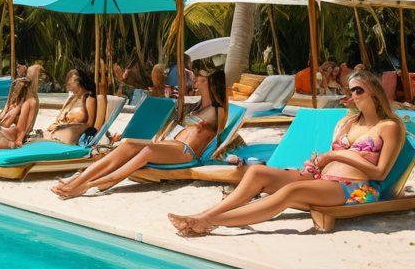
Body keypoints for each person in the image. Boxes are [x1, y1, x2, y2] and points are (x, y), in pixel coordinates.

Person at [169, 70, 405, 237]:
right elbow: (329, 156)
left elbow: (380, 172)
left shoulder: (389, 127)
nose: (352, 95)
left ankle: (209, 222)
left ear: (374, 92)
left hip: (354, 189)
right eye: (350, 91)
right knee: (256, 173)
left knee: (290, 191)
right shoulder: (346, 122)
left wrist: (333, 156)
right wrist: (317, 162)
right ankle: (205, 214)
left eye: (358, 90)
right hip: (322, 179)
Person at [52, 69, 227, 199]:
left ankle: (88, 185)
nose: (195, 79)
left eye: (201, 78)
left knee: (147, 151)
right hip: (172, 144)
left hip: (187, 152)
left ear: (210, 83)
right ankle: (78, 180)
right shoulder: (195, 105)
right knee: (128, 145)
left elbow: (221, 138)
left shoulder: (218, 111)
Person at [42, 67, 97, 144]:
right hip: (60, 131)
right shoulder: (71, 98)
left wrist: (65, 127)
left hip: (72, 134)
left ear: (78, 82)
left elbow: (90, 124)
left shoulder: (89, 99)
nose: (68, 88)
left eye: (70, 84)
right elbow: (59, 118)